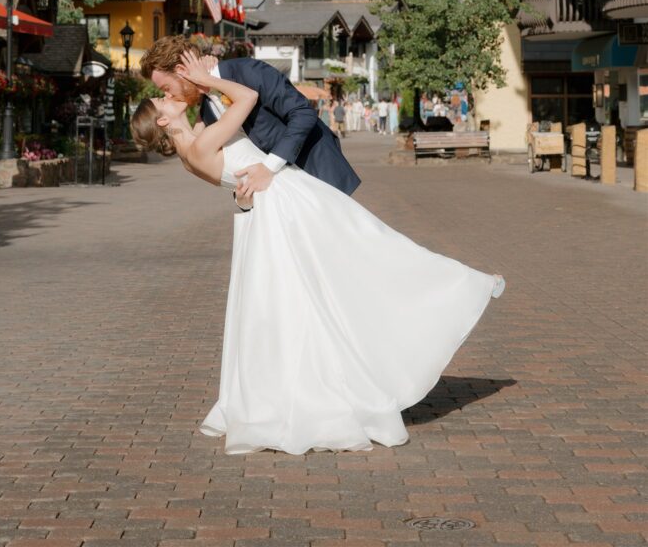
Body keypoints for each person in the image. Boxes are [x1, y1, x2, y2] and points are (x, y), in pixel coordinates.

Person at [131, 51, 506, 456]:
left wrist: (208, 74)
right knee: (370, 252)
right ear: (164, 122)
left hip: (270, 208)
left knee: (308, 298)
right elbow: (246, 99)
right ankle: (454, 291)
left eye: (163, 89)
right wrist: (210, 79)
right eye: (162, 99)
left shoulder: (195, 140)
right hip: (287, 202)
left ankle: (319, 380)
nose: (167, 96)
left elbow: (233, 136)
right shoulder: (201, 140)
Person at [141, 35, 359, 204]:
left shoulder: (248, 70)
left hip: (317, 172)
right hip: (283, 198)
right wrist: (243, 199)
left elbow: (303, 113)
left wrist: (269, 167)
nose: (168, 96)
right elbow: (239, 163)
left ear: (181, 71)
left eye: (166, 88)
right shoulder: (206, 111)